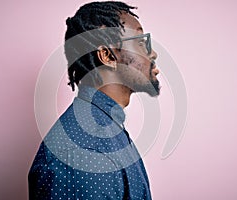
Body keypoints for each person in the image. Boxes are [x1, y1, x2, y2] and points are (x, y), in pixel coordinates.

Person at [28, 1, 160, 199]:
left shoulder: (106, 128)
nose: (153, 53)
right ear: (107, 56)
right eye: (140, 42)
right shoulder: (85, 152)